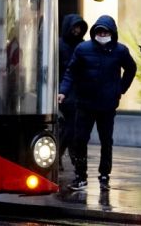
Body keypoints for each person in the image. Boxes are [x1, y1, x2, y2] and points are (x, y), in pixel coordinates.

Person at [58, 15, 136, 191]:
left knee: (106, 141)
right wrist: (63, 91)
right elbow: (71, 72)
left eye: (105, 31)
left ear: (112, 33)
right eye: (99, 31)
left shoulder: (120, 51)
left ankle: (104, 174)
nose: (102, 34)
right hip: (85, 103)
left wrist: (120, 89)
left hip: (107, 104)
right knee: (80, 140)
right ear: (94, 32)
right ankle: (80, 175)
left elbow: (131, 69)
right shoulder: (83, 49)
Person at [58, 14, 88, 170]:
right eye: (74, 27)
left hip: (78, 91)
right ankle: (69, 155)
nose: (77, 31)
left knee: (72, 127)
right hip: (64, 92)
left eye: (79, 28)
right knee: (70, 127)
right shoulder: (59, 45)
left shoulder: (82, 46)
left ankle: (66, 155)